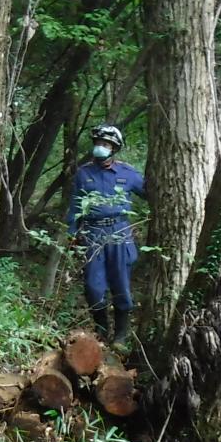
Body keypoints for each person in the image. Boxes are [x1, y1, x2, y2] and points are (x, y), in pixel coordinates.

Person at [65, 123, 148, 345]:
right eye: (98, 143)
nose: (101, 147)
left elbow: (151, 193)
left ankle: (121, 335)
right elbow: (75, 205)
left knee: (121, 283)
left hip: (119, 232)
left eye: (106, 144)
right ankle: (101, 332)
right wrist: (72, 234)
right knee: (94, 286)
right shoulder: (84, 173)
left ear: (114, 148)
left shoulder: (127, 173)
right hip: (92, 233)